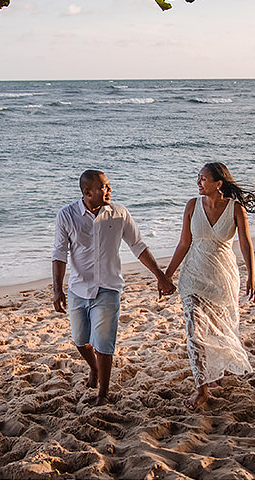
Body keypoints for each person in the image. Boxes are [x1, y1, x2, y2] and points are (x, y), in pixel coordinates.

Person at [52, 170, 175, 406]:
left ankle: (103, 393)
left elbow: (138, 245)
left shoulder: (119, 214)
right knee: (80, 340)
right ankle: (95, 369)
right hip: (79, 288)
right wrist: (57, 289)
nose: (109, 190)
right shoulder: (66, 215)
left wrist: (160, 275)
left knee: (105, 343)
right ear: (87, 192)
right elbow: (59, 253)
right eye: (103, 188)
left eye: (109, 186)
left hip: (109, 287)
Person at [164, 162, 255, 409]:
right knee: (195, 332)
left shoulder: (236, 209)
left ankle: (214, 374)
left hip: (222, 277)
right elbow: (184, 243)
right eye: (198, 178)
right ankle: (202, 389)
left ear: (218, 183)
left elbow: (246, 244)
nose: (198, 182)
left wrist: (252, 275)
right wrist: (167, 276)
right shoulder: (191, 206)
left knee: (218, 328)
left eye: (203, 179)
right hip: (193, 276)